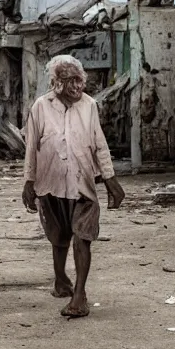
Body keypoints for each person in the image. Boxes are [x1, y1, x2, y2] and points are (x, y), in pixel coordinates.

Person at [22, 54, 125, 318]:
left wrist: (111, 181)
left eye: (79, 80)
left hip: (83, 185)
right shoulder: (41, 107)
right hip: (51, 184)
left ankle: (79, 296)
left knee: (83, 238)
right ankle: (60, 280)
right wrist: (28, 182)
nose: (76, 86)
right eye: (69, 81)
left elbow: (99, 145)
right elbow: (31, 148)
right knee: (58, 239)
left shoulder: (90, 105)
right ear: (56, 83)